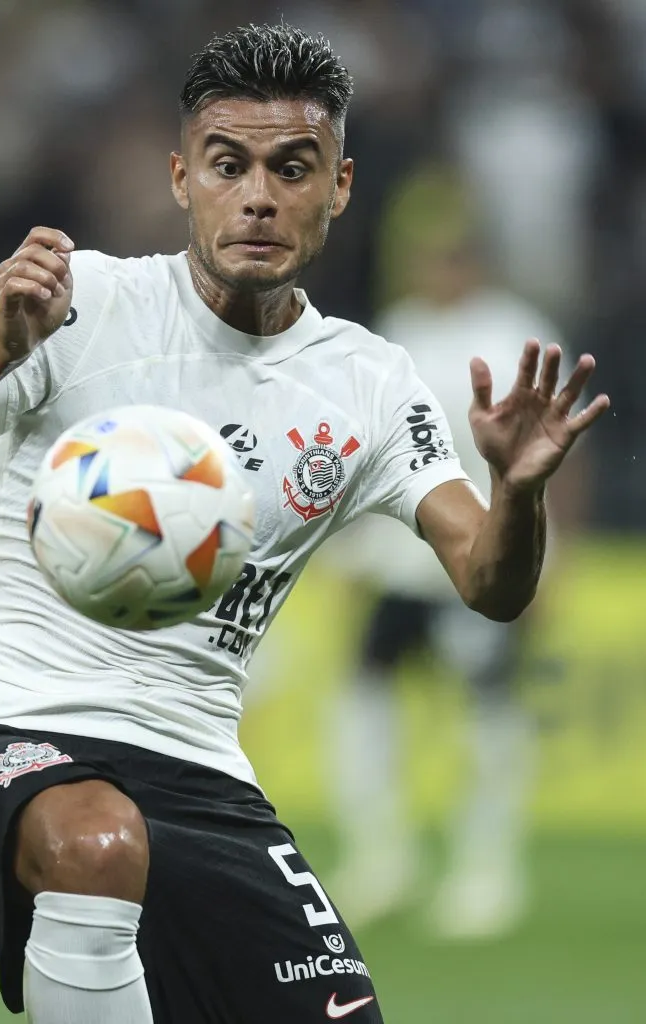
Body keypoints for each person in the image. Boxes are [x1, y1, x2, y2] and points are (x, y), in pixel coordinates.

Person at [0, 24, 608, 1024]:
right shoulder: (83, 302)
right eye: (228, 164)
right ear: (180, 178)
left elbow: (491, 586)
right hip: (6, 722)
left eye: (293, 168)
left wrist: (521, 490)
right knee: (95, 843)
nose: (259, 196)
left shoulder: (371, 382)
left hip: (195, 766)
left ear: (340, 187)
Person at [322, 193, 577, 939]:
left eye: (449, 252)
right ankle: (382, 857)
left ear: (473, 257)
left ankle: (486, 871)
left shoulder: (515, 331)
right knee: (366, 704)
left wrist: (556, 557)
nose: (436, 267)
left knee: (489, 719)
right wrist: (346, 548)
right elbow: (358, 450)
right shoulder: (395, 333)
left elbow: (559, 454)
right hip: (400, 560)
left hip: (485, 557)